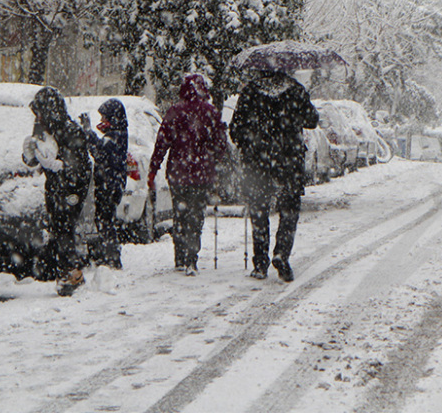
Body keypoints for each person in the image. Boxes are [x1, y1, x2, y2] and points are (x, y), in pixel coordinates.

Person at [229, 69, 318, 282]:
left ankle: (260, 263)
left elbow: (235, 129)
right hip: (288, 160)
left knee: (259, 211)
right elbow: (312, 120)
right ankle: (282, 253)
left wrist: (248, 143)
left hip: (257, 162)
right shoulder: (295, 90)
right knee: (289, 210)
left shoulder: (251, 91)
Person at [147, 74, 228, 276]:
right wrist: (217, 160)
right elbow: (221, 144)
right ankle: (192, 257)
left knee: (180, 214)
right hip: (202, 173)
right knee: (196, 216)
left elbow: (162, 142)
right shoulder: (210, 112)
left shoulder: (175, 112)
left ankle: (180, 256)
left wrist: (153, 168)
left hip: (178, 172)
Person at [23, 86, 90, 296]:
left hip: (71, 189)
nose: (39, 118)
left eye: (41, 113)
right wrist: (31, 156)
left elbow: (80, 166)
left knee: (64, 228)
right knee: (57, 228)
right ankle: (66, 272)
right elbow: (40, 157)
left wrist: (59, 166)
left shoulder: (70, 130)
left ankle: (71, 273)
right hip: (55, 187)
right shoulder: (47, 130)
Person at [82, 99, 127, 269]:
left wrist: (88, 133)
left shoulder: (116, 136)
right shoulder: (116, 133)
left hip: (111, 183)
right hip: (111, 182)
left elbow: (99, 152)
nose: (102, 122)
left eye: (104, 118)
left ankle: (112, 257)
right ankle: (106, 254)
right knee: (103, 218)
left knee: (105, 219)